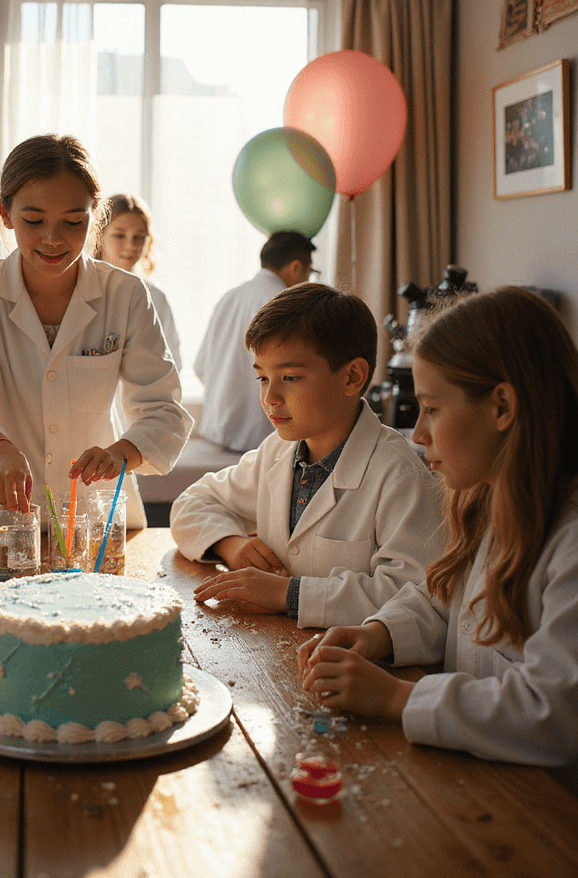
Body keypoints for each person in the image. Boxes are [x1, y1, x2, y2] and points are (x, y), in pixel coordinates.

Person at [298, 287, 578, 793]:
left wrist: (397, 699)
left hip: (550, 813)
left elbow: (553, 714)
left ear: (502, 407)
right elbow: (450, 602)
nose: (418, 433)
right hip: (480, 782)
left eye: (431, 409)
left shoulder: (570, 542)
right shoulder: (490, 504)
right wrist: (379, 633)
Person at [0, 133, 193, 533]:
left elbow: (164, 409)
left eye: (73, 222)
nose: (53, 239)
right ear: (4, 214)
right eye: (33, 221)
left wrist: (122, 453)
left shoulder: (125, 295)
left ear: (95, 216)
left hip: (93, 515)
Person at [171, 283, 442, 628]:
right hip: (281, 650)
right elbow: (192, 503)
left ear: (352, 377)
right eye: (262, 377)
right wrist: (232, 544)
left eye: (290, 377)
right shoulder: (278, 452)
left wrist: (287, 594)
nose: (271, 397)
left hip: (356, 667)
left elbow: (412, 594)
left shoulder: (398, 474)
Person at [196, 230, 316, 453]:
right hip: (257, 441)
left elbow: (200, 366)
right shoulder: (286, 304)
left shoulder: (230, 296)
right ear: (296, 267)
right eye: (311, 271)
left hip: (215, 436)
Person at [95, 193, 182, 369]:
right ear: (99, 236)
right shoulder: (77, 291)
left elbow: (171, 365)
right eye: (119, 236)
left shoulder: (156, 298)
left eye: (139, 237)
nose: (131, 246)